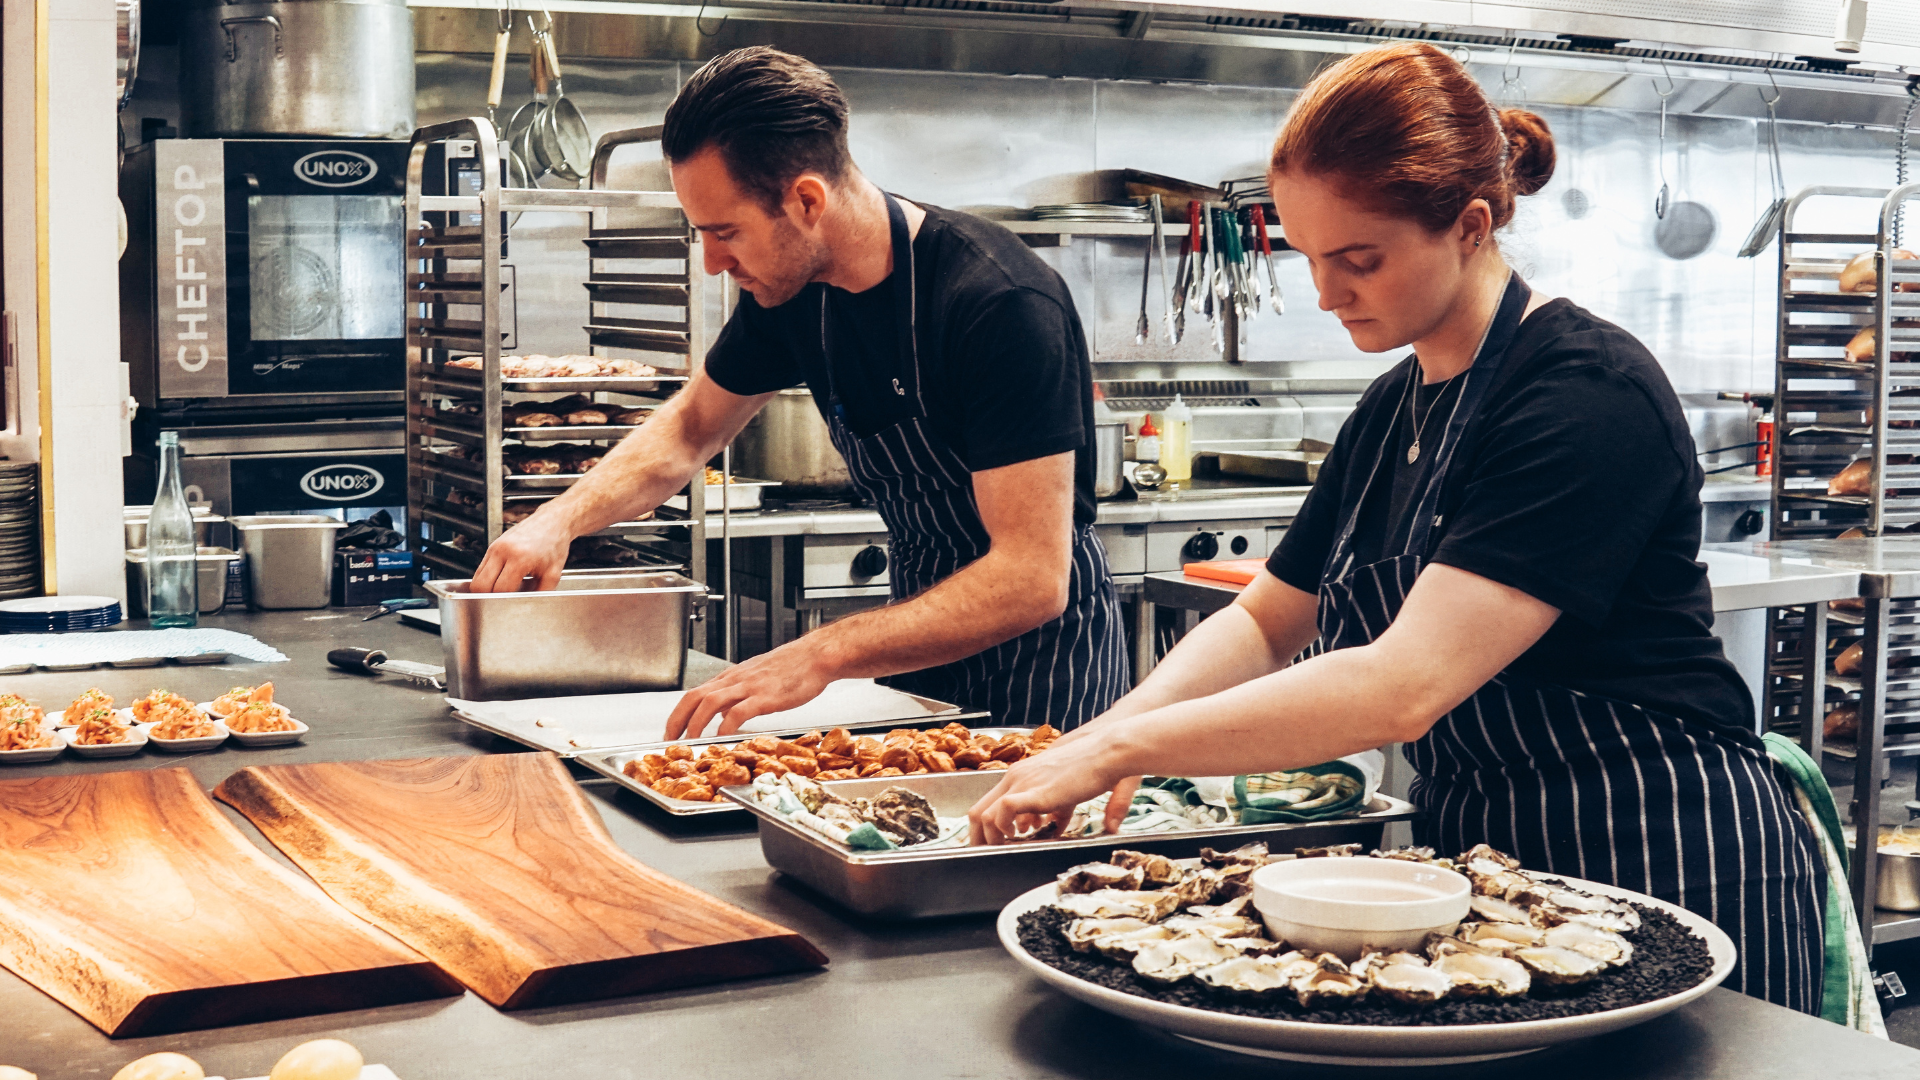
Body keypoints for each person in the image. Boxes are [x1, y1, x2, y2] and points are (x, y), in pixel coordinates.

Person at [967, 41, 1823, 1013]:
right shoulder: (1391, 410)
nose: (1327, 295)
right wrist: (1107, 732)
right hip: (1491, 876)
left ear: (1468, 226)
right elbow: (1263, 623)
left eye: (1358, 260)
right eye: (1309, 258)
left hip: (1664, 848)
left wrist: (1127, 751)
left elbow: (1401, 687)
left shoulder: (1584, 393)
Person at [469, 47, 1128, 737]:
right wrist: (557, 521)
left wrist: (820, 653)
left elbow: (1030, 577)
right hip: (915, 649)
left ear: (807, 200)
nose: (714, 262)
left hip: (1046, 674)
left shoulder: (997, 302)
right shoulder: (793, 294)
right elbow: (693, 427)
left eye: (725, 233)